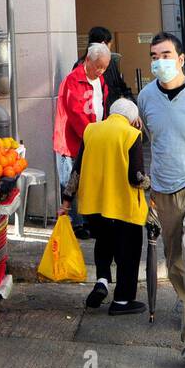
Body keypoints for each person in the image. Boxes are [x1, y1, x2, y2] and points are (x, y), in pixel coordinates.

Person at [135, 31, 185, 368]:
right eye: (154, 55)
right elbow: (154, 139)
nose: (159, 61)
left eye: (166, 54)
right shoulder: (145, 97)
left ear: (182, 59)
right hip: (163, 193)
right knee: (176, 267)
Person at [61, 98, 148, 315]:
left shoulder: (91, 130)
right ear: (132, 118)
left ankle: (101, 281)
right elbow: (135, 177)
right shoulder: (131, 135)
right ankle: (122, 301)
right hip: (123, 208)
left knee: (104, 243)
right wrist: (149, 184)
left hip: (94, 206)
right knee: (127, 253)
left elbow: (77, 168)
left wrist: (67, 199)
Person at [52, 42, 112, 237]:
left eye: (104, 67)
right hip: (72, 141)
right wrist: (93, 135)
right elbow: (76, 113)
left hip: (92, 138)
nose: (101, 71)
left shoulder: (100, 80)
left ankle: (87, 220)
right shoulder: (73, 80)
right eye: (98, 66)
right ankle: (78, 223)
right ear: (87, 60)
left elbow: (103, 105)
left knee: (87, 181)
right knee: (71, 181)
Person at [81, 26, 133, 102]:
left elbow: (121, 86)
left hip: (111, 109)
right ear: (103, 44)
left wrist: (130, 101)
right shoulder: (81, 66)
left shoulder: (111, 63)